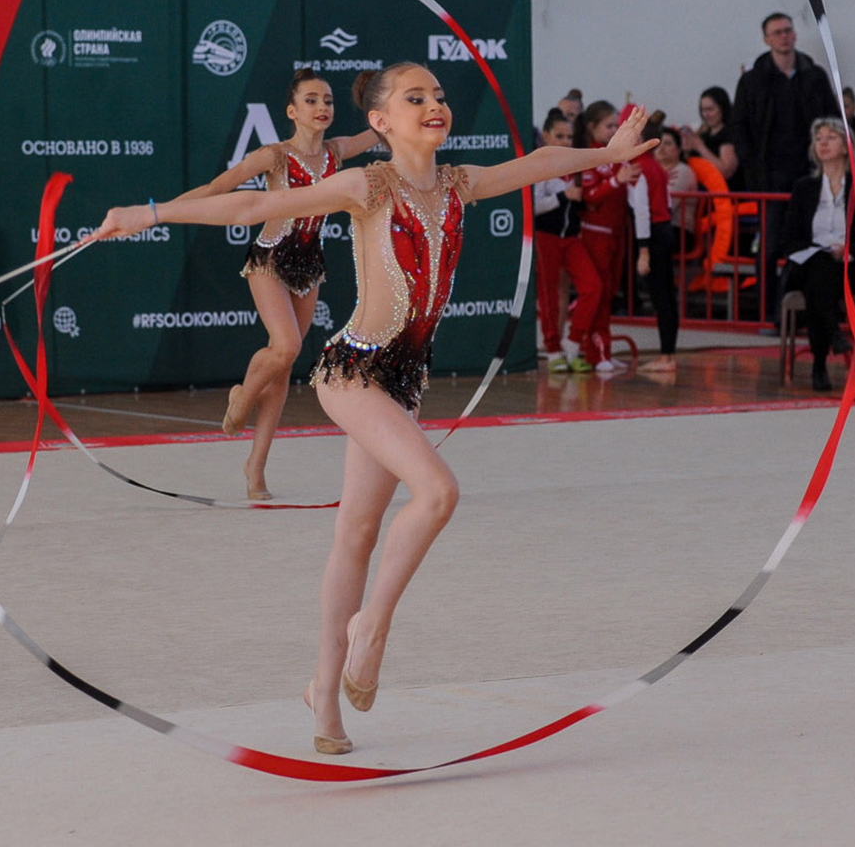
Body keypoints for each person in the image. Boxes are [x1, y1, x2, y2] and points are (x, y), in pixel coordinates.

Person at [90, 63, 657, 755]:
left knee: (356, 534)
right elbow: (246, 209)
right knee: (438, 492)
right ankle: (373, 626)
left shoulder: (459, 183)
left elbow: (539, 162)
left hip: (402, 380)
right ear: (382, 122)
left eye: (439, 96)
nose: (434, 105)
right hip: (353, 370)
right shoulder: (366, 184)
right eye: (415, 98)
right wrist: (146, 214)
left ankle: (323, 695)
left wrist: (607, 152)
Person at [169, 68, 376, 499]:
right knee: (285, 347)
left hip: (310, 266)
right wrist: (157, 213)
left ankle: (256, 466)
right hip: (270, 259)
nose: (322, 107)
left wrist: (396, 101)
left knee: (282, 370)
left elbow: (385, 128)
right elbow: (217, 187)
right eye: (311, 100)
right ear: (292, 111)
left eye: (328, 101)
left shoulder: (337, 152)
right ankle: (243, 397)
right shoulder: (274, 156)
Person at [730, 13, 837, 320]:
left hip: (809, 174)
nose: (784, 36)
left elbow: (830, 118)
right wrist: (751, 165)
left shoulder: (814, 76)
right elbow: (739, 126)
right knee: (769, 246)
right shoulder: (752, 80)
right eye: (777, 32)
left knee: (810, 244)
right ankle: (767, 313)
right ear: (767, 39)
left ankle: (805, 315)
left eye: (788, 30)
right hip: (769, 177)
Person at [778, 118, 855, 391]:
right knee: (819, 268)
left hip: (851, 265)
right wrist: (821, 251)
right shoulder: (804, 188)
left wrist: (847, 251)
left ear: (846, 147)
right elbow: (789, 238)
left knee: (819, 284)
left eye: (831, 137)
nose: (823, 143)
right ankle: (833, 335)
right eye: (819, 139)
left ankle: (820, 364)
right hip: (811, 262)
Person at [533, 108, 601, 373]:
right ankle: (552, 350)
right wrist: (564, 197)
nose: (565, 142)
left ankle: (572, 343)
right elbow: (534, 205)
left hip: (572, 238)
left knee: (593, 286)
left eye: (569, 137)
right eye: (559, 136)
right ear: (546, 136)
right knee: (549, 296)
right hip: (546, 238)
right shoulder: (539, 166)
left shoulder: (576, 167)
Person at [622, 105, 679, 372]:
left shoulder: (640, 169)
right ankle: (668, 354)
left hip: (654, 234)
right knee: (667, 295)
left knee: (660, 298)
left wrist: (643, 251)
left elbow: (642, 212)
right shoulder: (655, 167)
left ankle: (666, 357)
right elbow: (666, 201)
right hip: (665, 229)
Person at [576, 100, 630, 371]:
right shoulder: (591, 157)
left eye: (616, 125)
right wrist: (616, 181)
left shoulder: (616, 156)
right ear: (592, 127)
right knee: (598, 293)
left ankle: (603, 350)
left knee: (608, 293)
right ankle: (593, 352)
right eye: (609, 126)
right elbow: (590, 196)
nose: (613, 130)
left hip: (616, 234)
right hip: (596, 235)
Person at [679, 85, 741, 189]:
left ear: (723, 108)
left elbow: (726, 171)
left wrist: (700, 147)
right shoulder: (702, 133)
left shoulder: (730, 134)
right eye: (703, 110)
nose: (706, 114)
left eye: (710, 109)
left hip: (725, 194)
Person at [654, 125, 698, 247]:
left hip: (678, 230)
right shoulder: (653, 170)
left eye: (668, 144)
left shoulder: (683, 171)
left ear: (679, 149)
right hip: (658, 226)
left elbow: (666, 206)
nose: (661, 148)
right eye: (658, 143)